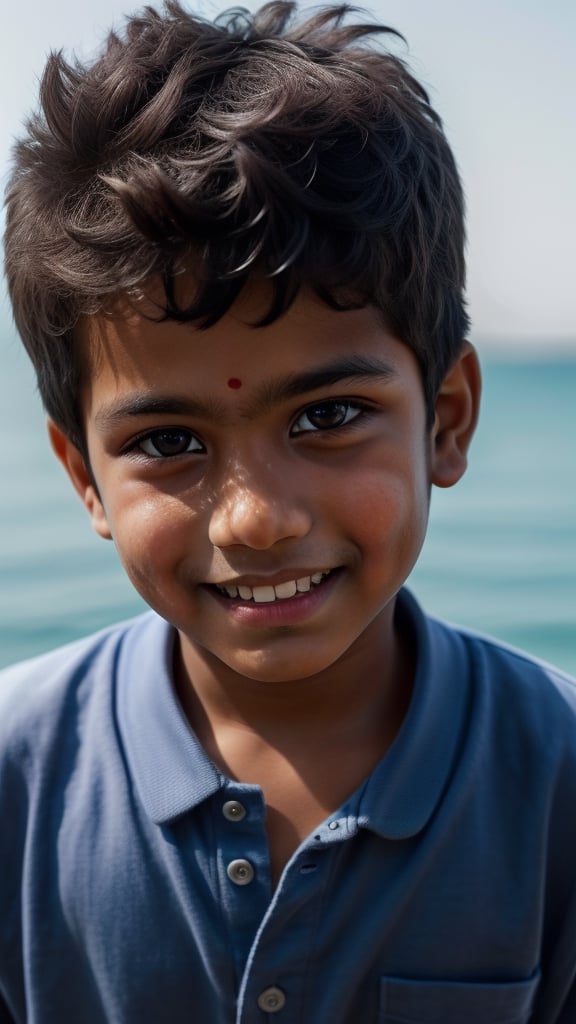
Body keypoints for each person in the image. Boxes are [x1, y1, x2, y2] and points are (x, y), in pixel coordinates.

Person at [1, 2, 575, 1020]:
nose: (255, 519)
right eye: (168, 442)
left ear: (447, 418)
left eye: (330, 414)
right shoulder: (17, 781)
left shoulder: (558, 781)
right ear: (83, 475)